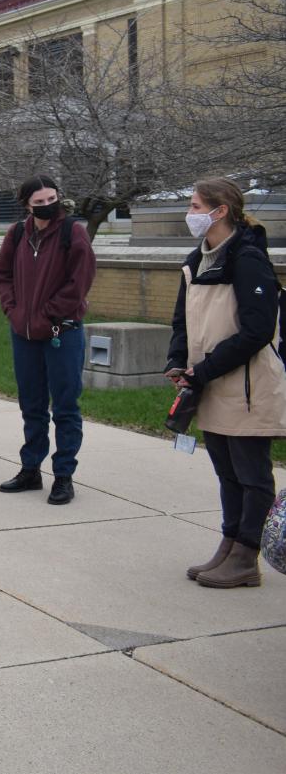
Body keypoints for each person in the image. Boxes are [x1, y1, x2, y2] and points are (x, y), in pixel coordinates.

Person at [166, 178, 285, 588]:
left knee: (252, 476)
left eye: (197, 204)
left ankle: (246, 557)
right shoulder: (196, 259)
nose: (191, 212)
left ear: (220, 211)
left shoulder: (248, 258)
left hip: (247, 387)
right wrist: (178, 361)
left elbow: (256, 331)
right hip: (210, 383)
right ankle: (229, 543)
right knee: (227, 474)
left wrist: (206, 368)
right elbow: (182, 319)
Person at [0, 175, 97, 505]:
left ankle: (64, 475)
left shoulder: (73, 233)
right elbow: (3, 275)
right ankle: (30, 469)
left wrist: (49, 314)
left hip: (61, 333)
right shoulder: (17, 233)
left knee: (65, 407)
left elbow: (79, 281)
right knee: (32, 406)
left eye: (51, 198)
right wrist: (13, 309)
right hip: (23, 334)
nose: (47, 205)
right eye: (39, 202)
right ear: (27, 205)